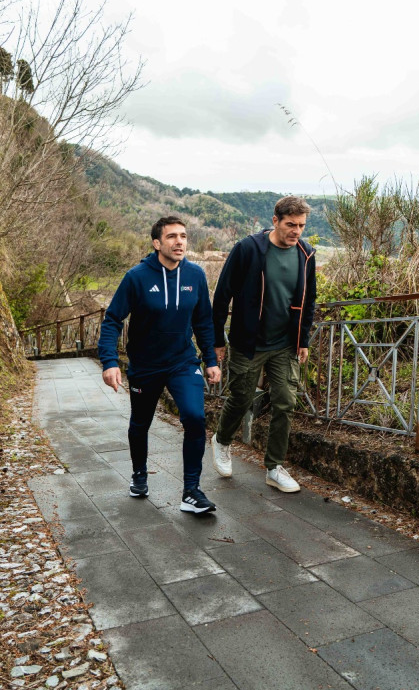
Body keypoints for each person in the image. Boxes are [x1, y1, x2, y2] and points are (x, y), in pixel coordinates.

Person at [98, 215, 221, 514]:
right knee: (141, 423)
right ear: (157, 243)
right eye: (172, 237)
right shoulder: (136, 277)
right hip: (145, 365)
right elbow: (112, 320)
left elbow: (204, 321)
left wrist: (211, 359)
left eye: (183, 236)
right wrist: (110, 362)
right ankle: (139, 473)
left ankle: (191, 491)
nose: (179, 242)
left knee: (195, 417)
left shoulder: (195, 275)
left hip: (183, 362)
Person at [210, 196, 316, 492]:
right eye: (291, 224)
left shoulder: (306, 254)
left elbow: (308, 301)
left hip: (285, 344)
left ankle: (274, 467)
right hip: (249, 342)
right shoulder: (248, 249)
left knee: (285, 402)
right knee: (241, 398)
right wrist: (217, 339)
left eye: (301, 226)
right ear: (275, 221)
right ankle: (221, 440)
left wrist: (303, 340)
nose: (296, 231)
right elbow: (222, 295)